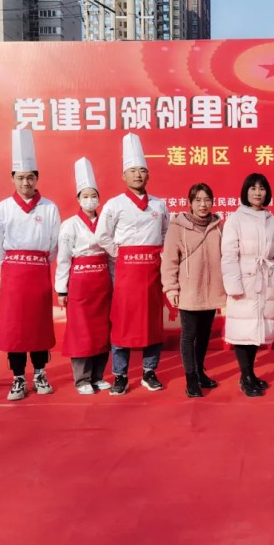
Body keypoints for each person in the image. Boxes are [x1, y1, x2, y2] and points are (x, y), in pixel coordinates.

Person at [0, 130, 60, 401]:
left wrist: (39, 263)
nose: (25, 182)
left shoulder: (49, 207)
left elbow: (54, 243)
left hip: (39, 273)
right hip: (13, 275)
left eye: (30, 177)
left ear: (37, 178)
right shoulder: (1, 209)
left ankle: (40, 373)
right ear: (12, 178)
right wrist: (10, 265)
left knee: (39, 328)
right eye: (20, 177)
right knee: (15, 329)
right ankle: (18, 377)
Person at [96, 133, 169, 396]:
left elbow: (165, 233)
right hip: (125, 273)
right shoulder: (115, 204)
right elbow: (102, 235)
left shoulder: (159, 204)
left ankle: (149, 371)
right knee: (122, 324)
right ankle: (121, 375)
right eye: (133, 171)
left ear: (148, 175)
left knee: (152, 323)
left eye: (142, 171)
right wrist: (121, 254)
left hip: (152, 272)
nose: (138, 175)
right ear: (123, 175)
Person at [161, 183, 226, 398]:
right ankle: (190, 379)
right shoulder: (177, 227)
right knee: (189, 335)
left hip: (212, 289)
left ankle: (199, 372)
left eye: (207, 200)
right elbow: (169, 261)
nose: (203, 204)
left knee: (205, 334)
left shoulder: (218, 226)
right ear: (190, 203)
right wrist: (171, 289)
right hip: (188, 290)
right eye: (198, 200)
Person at [221, 173, 274, 397]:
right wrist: (234, 286)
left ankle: (249, 374)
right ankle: (246, 376)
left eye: (262, 188)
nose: (258, 193)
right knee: (243, 329)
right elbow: (228, 255)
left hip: (265, 280)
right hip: (245, 280)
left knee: (258, 329)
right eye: (253, 188)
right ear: (245, 191)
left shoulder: (273, 221)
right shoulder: (235, 219)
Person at [55, 157, 112, 395]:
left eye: (93, 195)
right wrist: (62, 289)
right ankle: (82, 379)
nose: (90, 200)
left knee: (102, 330)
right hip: (79, 283)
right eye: (85, 196)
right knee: (81, 331)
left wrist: (115, 281)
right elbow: (63, 259)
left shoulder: (106, 222)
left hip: (102, 282)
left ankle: (98, 376)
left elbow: (111, 254)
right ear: (78, 199)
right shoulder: (69, 225)